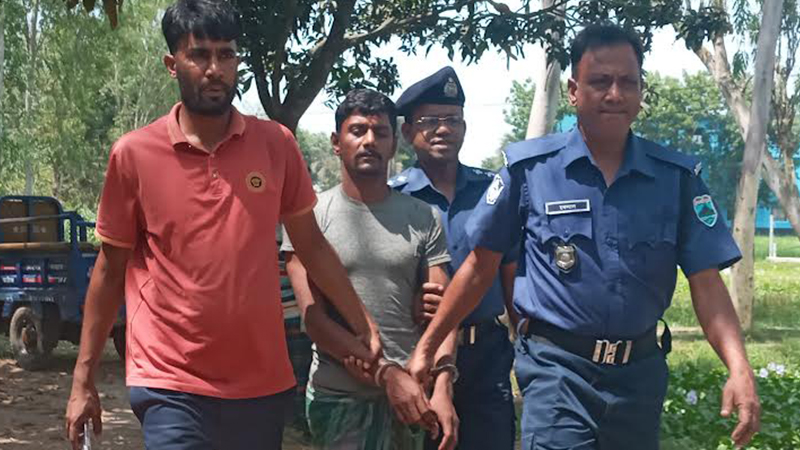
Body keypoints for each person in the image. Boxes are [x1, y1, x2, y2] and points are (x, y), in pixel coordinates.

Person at [406, 24, 761, 450]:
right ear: (574, 91)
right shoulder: (530, 171)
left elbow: (706, 282)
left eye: (627, 82)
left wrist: (739, 368)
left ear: (641, 91)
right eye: (600, 81)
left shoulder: (676, 178)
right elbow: (480, 268)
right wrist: (428, 346)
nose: (615, 94)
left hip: (639, 377)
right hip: (558, 372)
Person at [64, 1, 381, 449]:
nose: (215, 69)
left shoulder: (275, 144)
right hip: (169, 380)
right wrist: (83, 380)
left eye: (226, 54)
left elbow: (311, 245)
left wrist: (362, 322)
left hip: (260, 383)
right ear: (172, 64)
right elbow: (109, 269)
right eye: (199, 55)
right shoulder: (134, 154)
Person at [281, 88, 460, 450]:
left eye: (380, 132)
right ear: (336, 142)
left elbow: (442, 314)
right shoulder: (308, 219)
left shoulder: (424, 217)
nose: (369, 141)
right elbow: (314, 320)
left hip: (412, 398)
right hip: (339, 398)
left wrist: (443, 385)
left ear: (394, 144)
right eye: (357, 130)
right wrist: (385, 374)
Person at [388, 66, 517, 450]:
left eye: (452, 120)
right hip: (419, 355)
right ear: (407, 132)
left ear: (464, 127)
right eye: (429, 121)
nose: (443, 129)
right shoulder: (393, 199)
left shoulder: (493, 193)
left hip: (487, 354)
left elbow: (512, 276)